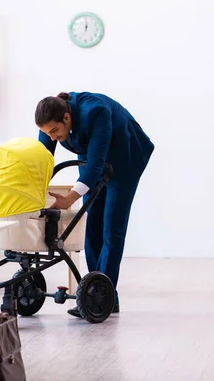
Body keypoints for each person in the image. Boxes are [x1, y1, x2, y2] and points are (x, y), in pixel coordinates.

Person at [35, 91, 154, 317]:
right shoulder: (49, 123)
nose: (51, 137)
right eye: (45, 133)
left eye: (54, 131)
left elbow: (97, 164)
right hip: (92, 159)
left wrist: (70, 198)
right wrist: (33, 187)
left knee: (112, 228)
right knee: (92, 228)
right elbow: (43, 160)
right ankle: (102, 293)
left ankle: (99, 295)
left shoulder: (95, 112)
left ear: (67, 118)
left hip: (125, 156)